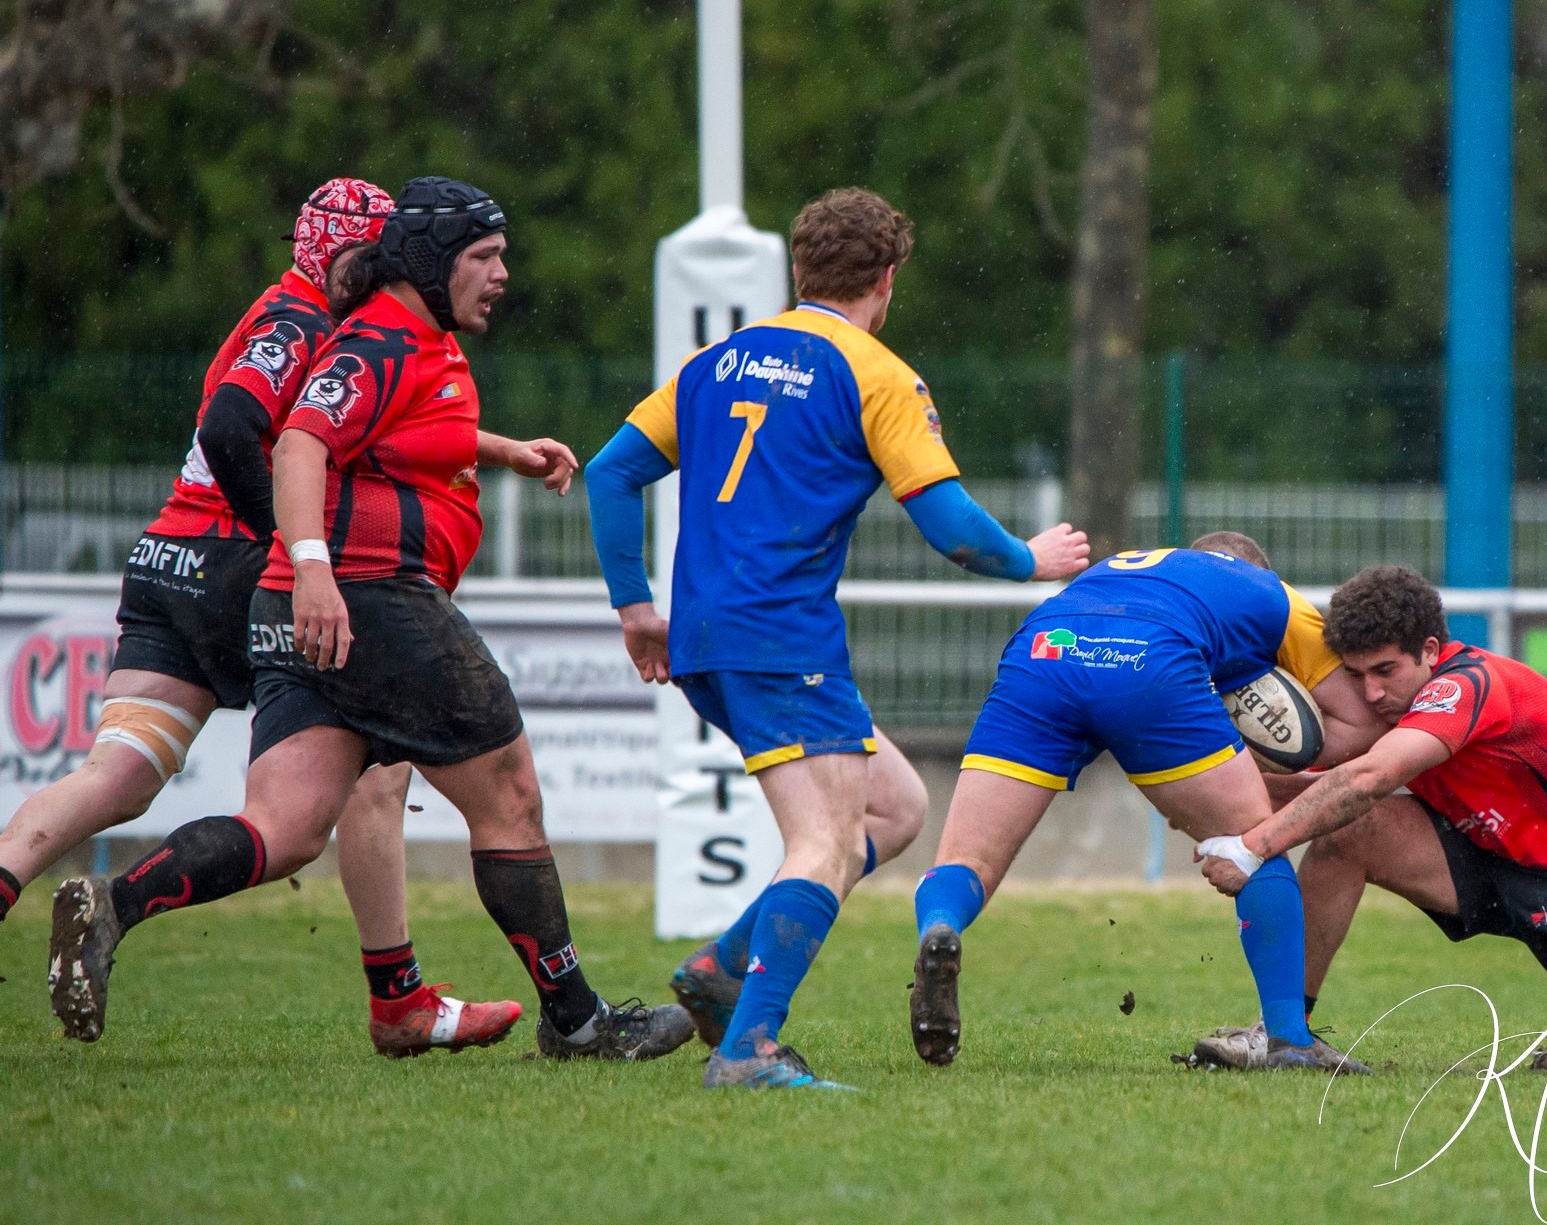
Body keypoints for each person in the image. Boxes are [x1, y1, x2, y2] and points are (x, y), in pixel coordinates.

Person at [48, 176, 694, 1063]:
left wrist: (502, 449)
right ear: (428, 264)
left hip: (306, 603)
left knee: (284, 830)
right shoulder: (381, 342)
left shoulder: (411, 337)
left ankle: (111, 907)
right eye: (483, 256)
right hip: (370, 599)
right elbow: (305, 441)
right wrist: (315, 570)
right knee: (509, 796)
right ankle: (578, 1020)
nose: (502, 273)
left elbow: (399, 434)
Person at [0, 179, 518, 1056]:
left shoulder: (288, 305)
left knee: (119, 776)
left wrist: (499, 447)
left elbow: (371, 431)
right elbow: (239, 422)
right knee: (370, 776)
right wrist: (298, 545)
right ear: (349, 253)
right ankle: (398, 997)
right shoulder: (307, 322)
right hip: (237, 569)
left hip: (168, 560)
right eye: (379, 251)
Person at [585, 187, 1088, 1089]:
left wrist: (635, 606)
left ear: (797, 270)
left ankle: (720, 967)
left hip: (703, 639)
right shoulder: (875, 372)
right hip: (782, 638)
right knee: (820, 844)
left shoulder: (715, 362)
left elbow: (612, 473)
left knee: (894, 808)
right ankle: (749, 1048)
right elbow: (952, 527)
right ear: (888, 280)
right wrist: (1030, 559)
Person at [909, 533, 1382, 1073]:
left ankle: (940, 928)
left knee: (968, 859)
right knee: (1254, 844)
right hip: (1151, 659)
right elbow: (1358, 721)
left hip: (1045, 647)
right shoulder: (1272, 593)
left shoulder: (1128, 568)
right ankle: (1290, 1042)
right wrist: (1265, 752)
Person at [1190, 565, 1547, 1075]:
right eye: (1355, 675)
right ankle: (1283, 1032)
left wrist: (1253, 845)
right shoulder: (1392, 704)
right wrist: (1209, 794)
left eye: (1384, 670)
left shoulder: (1468, 684)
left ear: (1428, 650)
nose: (1371, 692)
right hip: (1466, 852)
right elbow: (1329, 793)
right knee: (1348, 830)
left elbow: (1366, 779)